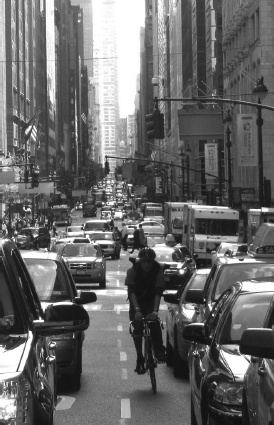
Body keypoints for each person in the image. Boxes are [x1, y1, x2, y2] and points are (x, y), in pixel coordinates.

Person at [125, 247, 166, 374]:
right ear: (140, 261)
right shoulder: (133, 271)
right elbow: (131, 293)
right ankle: (139, 357)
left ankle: (159, 350)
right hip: (136, 300)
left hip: (150, 301)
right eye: (144, 261)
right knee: (137, 328)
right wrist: (137, 310)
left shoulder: (158, 270)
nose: (147, 264)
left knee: (154, 324)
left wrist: (155, 311)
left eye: (149, 261)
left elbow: (158, 293)